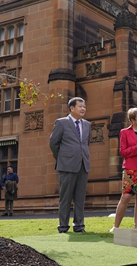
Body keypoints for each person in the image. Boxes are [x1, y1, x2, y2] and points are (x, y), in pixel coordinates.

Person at [49, 97, 91, 233]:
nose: (83, 109)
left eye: (84, 106)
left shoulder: (87, 124)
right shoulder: (61, 123)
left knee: (80, 198)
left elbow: (85, 143)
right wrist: (62, 158)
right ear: (72, 108)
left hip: (83, 165)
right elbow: (53, 143)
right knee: (65, 198)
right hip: (66, 165)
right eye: (80, 106)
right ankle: (63, 226)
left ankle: (79, 226)